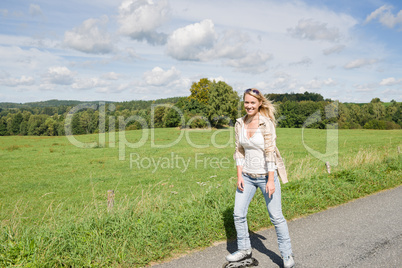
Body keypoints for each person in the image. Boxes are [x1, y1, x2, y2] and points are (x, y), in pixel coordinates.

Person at [226, 88, 294, 268]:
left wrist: (271, 179)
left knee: (276, 217)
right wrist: (239, 175)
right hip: (247, 176)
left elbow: (270, 152)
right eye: (246, 102)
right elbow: (239, 151)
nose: (249, 106)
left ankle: (287, 255)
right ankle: (244, 250)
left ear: (259, 104)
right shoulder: (239, 123)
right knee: (238, 214)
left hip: (266, 176)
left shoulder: (266, 123)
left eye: (252, 103)